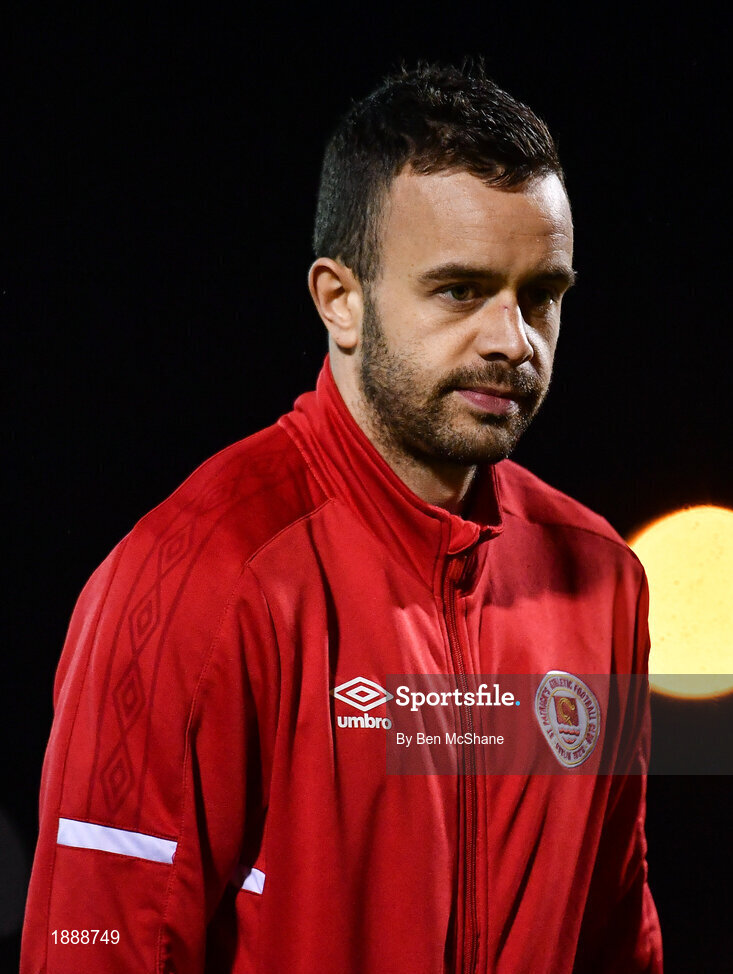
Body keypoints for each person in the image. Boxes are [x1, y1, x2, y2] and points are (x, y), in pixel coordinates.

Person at [20, 61, 662, 973]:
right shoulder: (197, 581)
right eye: (460, 290)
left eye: (541, 296)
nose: (512, 340)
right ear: (340, 300)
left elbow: (614, 937)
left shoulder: (600, 581)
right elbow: (94, 944)